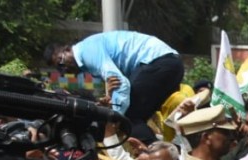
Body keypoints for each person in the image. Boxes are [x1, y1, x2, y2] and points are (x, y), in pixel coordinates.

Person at [45, 32, 184, 143]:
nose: (64, 71)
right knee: (137, 118)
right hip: (170, 63)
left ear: (68, 49)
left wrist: (112, 120)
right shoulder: (88, 61)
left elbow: (121, 84)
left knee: (127, 119)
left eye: (61, 63)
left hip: (159, 61)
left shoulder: (87, 52)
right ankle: (163, 153)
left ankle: (156, 155)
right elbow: (115, 88)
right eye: (59, 70)